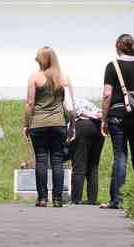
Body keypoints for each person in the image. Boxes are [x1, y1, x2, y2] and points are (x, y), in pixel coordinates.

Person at [100, 32, 134, 210]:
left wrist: (103, 118)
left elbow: (107, 94)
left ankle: (117, 199)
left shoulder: (112, 66)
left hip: (117, 115)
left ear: (117, 47)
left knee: (120, 156)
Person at [25, 46, 72, 207]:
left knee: (41, 159)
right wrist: (71, 125)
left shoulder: (35, 77)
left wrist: (26, 124)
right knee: (58, 160)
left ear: (42, 60)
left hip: (39, 123)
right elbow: (68, 105)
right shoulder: (62, 78)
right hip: (58, 123)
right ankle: (58, 199)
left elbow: (30, 103)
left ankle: (43, 198)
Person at [68, 92, 104, 205]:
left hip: (81, 127)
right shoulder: (83, 99)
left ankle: (76, 199)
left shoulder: (67, 101)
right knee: (93, 165)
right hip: (98, 128)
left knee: (79, 164)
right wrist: (95, 116)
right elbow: (99, 112)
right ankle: (92, 199)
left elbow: (73, 111)